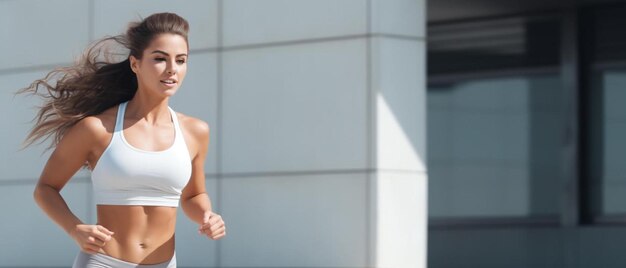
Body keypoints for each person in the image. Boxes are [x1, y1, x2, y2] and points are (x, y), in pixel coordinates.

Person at [18, 12, 225, 267]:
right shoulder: (97, 128)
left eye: (181, 60)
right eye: (160, 58)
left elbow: (194, 195)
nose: (172, 69)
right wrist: (75, 228)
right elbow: (45, 189)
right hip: (104, 261)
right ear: (135, 64)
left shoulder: (196, 131)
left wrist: (207, 215)